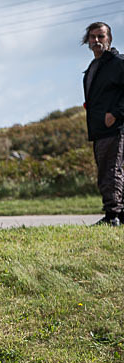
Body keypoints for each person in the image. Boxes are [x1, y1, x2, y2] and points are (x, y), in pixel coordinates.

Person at [82, 22, 124, 226]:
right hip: (99, 128)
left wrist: (116, 113)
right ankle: (119, 214)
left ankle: (112, 216)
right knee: (109, 170)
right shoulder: (94, 66)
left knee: (110, 171)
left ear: (109, 38)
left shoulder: (117, 62)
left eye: (101, 36)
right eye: (93, 37)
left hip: (114, 128)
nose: (96, 40)